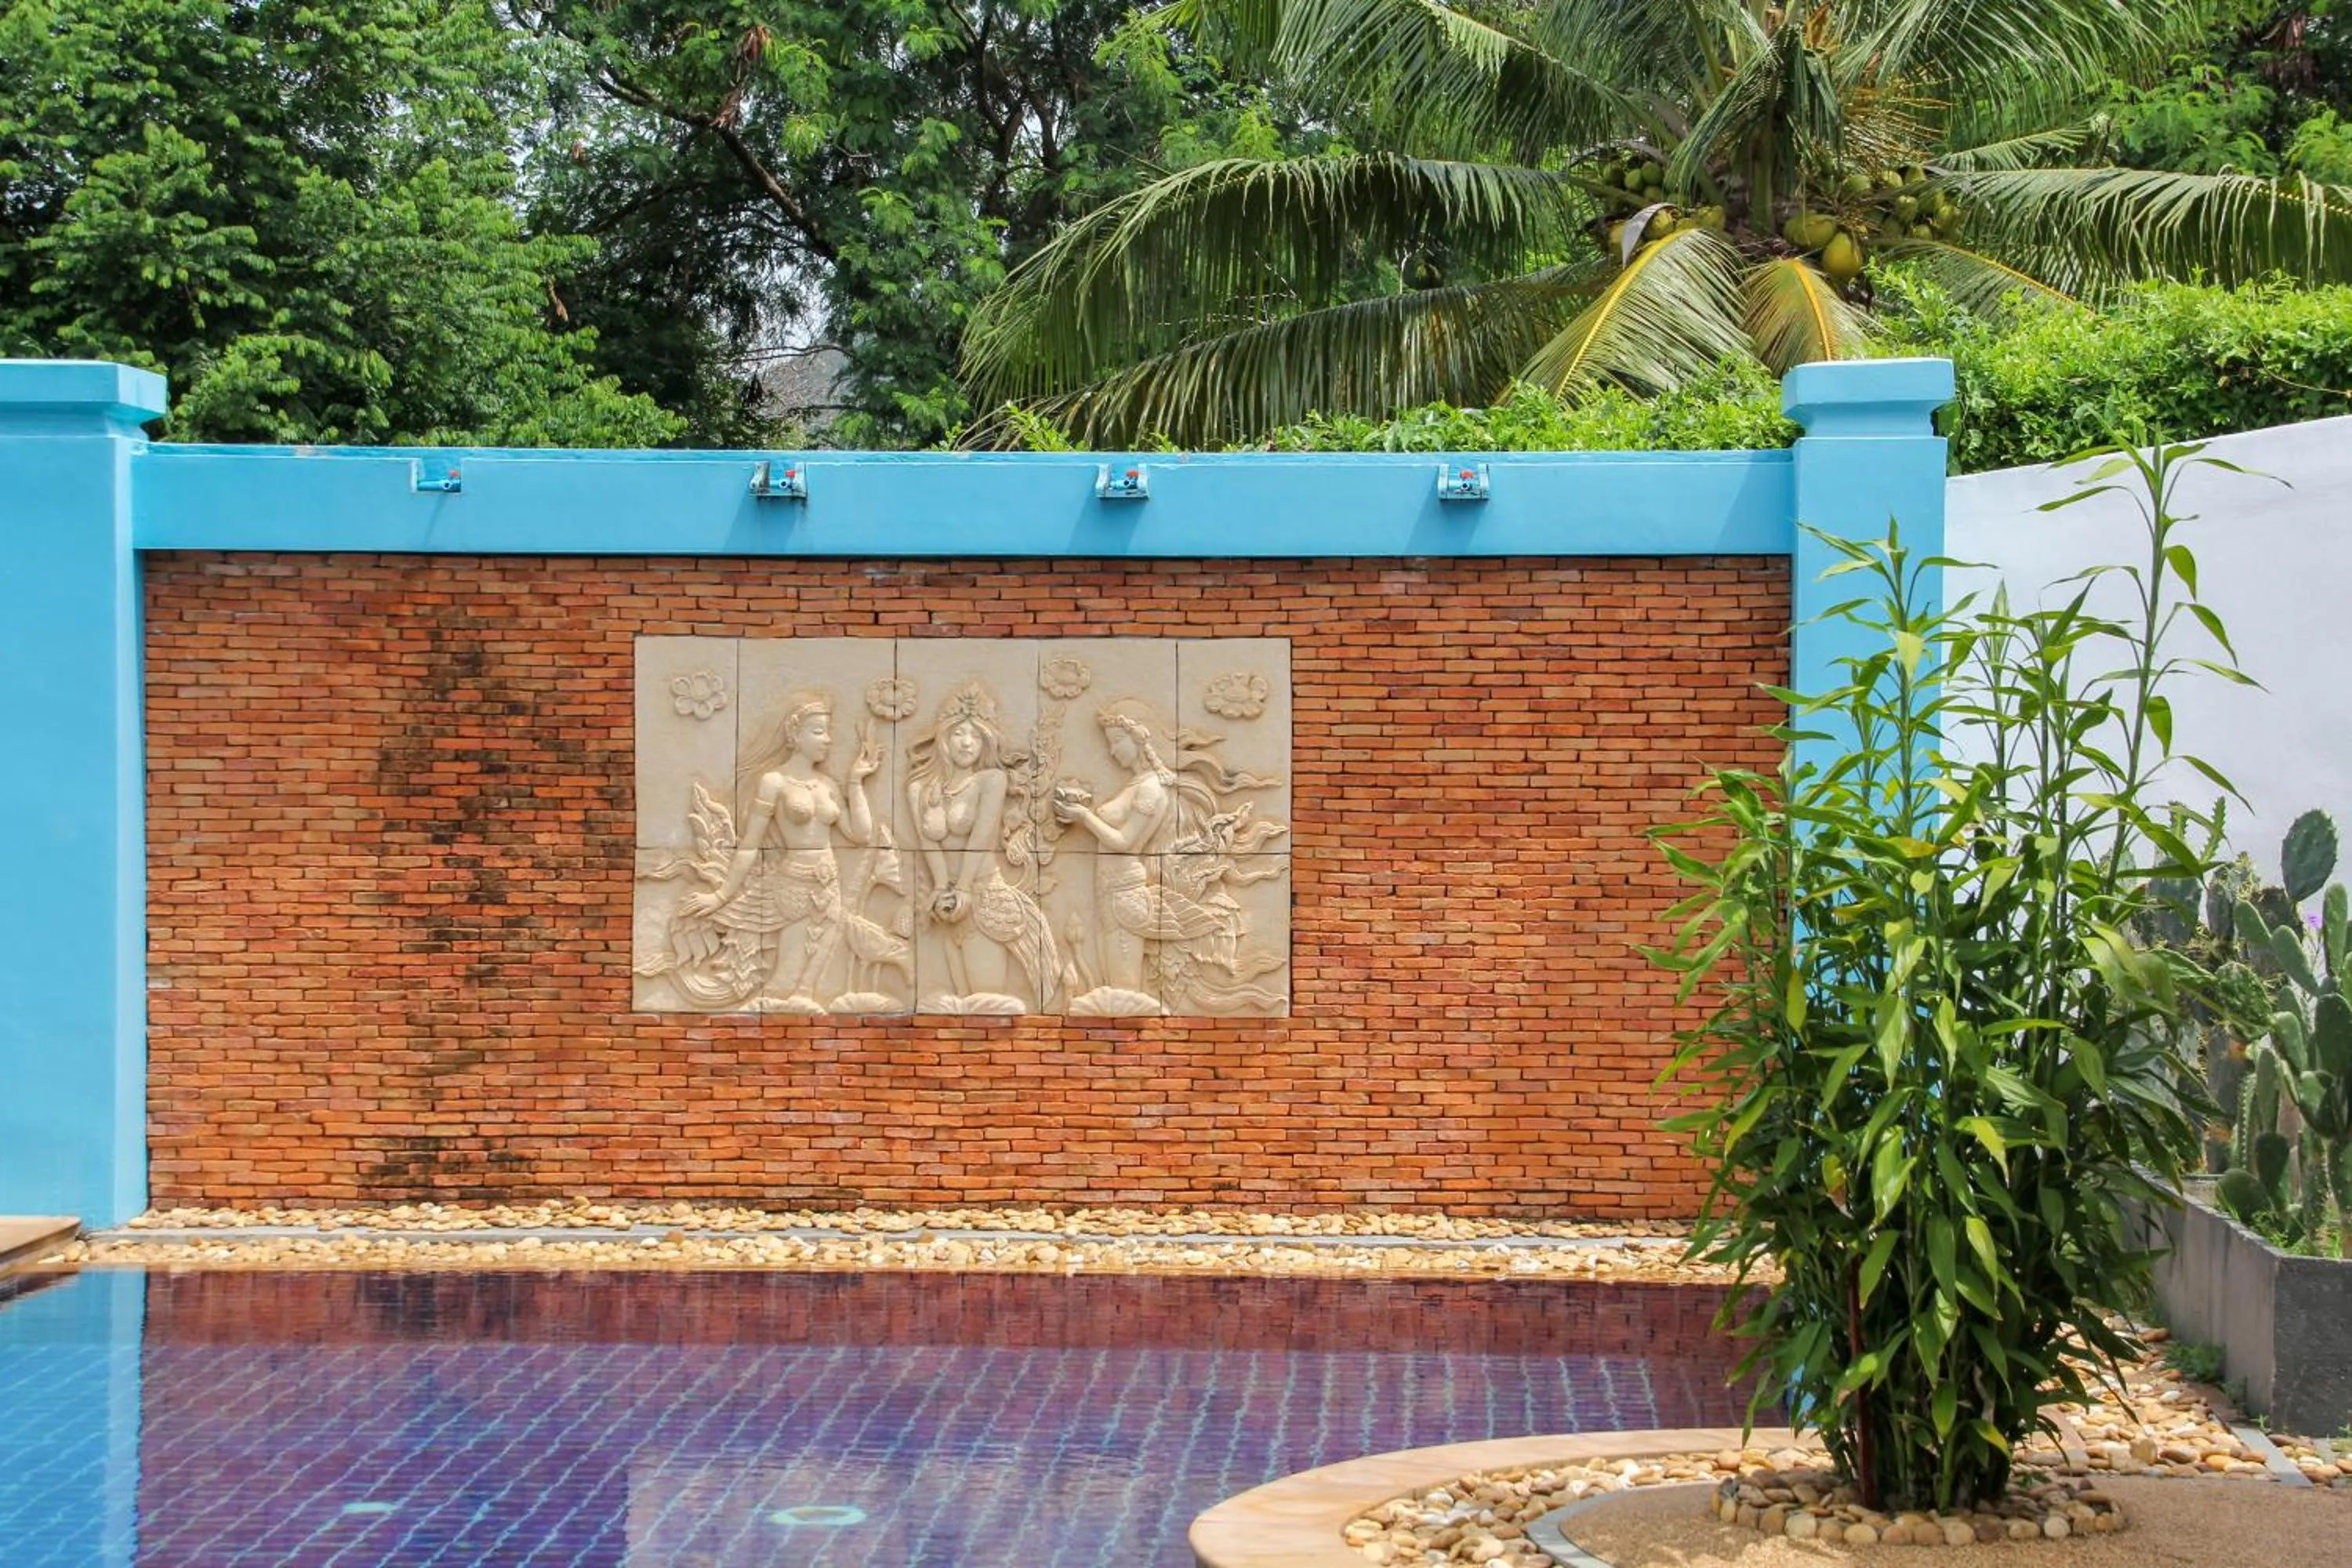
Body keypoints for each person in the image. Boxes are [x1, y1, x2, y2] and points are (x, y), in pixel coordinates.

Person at [675, 690, 882, 1011]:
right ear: (794, 735)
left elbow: (860, 834)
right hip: (793, 885)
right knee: (787, 973)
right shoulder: (774, 782)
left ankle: (802, 1010)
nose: (827, 739)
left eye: (828, 731)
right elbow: (749, 846)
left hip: (828, 882)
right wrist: (721, 895)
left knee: (812, 974)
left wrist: (856, 782)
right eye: (818, 731)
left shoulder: (827, 784)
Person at [905, 681, 1058, 1009]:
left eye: (975, 735)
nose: (967, 742)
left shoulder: (991, 781)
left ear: (986, 741)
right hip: (946, 899)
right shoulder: (919, 787)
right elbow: (926, 843)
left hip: (985, 896)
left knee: (987, 1000)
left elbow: (982, 837)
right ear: (944, 738)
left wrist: (964, 890)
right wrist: (942, 888)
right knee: (958, 1004)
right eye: (959, 733)